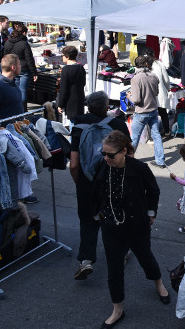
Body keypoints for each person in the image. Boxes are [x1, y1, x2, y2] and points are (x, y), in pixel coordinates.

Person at [90, 130, 170, 328]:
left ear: (124, 151)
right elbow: (96, 190)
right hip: (110, 225)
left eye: (110, 155)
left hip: (136, 224)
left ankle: (158, 283)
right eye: (104, 154)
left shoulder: (139, 168)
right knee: (114, 267)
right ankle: (117, 309)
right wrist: (96, 214)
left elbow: (153, 191)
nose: (106, 158)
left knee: (145, 257)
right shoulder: (103, 165)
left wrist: (151, 213)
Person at [70, 91, 130, 282]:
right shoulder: (118, 125)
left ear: (88, 106)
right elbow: (129, 158)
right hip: (112, 179)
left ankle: (86, 259)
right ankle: (119, 254)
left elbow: (73, 162)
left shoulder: (79, 124)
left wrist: (79, 181)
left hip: (87, 181)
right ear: (106, 107)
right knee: (115, 218)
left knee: (88, 220)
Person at [127, 56, 164, 167]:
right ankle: (160, 161)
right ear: (147, 64)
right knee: (156, 136)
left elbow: (136, 99)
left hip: (141, 112)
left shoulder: (136, 78)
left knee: (134, 137)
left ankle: (129, 161)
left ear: (136, 65)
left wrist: (129, 96)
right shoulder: (153, 76)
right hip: (153, 110)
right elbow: (156, 93)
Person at [0, 54, 24, 135]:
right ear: (13, 67)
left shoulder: (12, 81)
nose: (20, 66)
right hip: (5, 133)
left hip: (17, 130)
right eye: (19, 64)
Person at [3, 24, 37, 110]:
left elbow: (5, 57)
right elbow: (29, 59)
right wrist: (34, 72)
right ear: (24, 33)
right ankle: (23, 109)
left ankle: (17, 108)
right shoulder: (24, 44)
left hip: (12, 68)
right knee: (22, 90)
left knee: (16, 89)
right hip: (24, 69)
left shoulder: (7, 42)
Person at [57, 45, 86, 125]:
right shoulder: (81, 67)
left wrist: (60, 104)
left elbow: (64, 89)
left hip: (70, 100)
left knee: (73, 125)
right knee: (78, 123)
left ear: (67, 56)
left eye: (62, 55)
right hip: (79, 98)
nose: (62, 57)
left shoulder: (66, 70)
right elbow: (83, 83)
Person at [148, 50, 171, 138]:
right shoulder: (159, 64)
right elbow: (166, 78)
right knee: (163, 112)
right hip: (160, 91)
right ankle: (167, 131)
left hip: (150, 93)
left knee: (150, 114)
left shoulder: (144, 65)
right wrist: (168, 87)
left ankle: (153, 135)